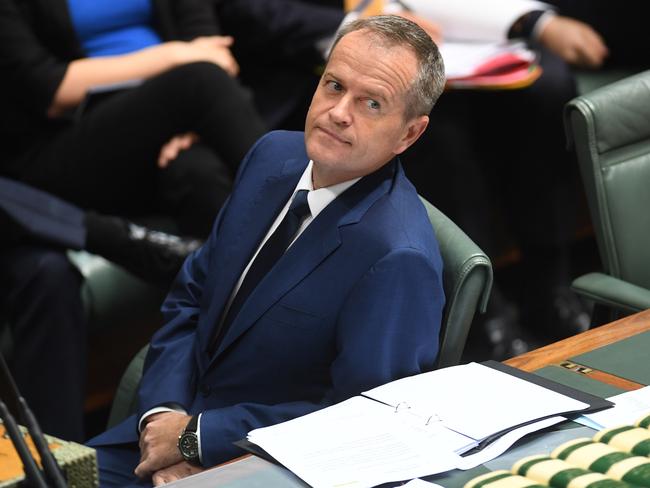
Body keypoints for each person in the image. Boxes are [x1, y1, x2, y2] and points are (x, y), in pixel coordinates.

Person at [87, 15, 446, 487]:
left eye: (371, 103)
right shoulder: (272, 156)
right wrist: (162, 415)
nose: (339, 111)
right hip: (154, 436)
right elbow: (191, 296)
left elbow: (363, 419)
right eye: (334, 85)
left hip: (264, 467)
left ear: (409, 134)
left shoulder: (397, 257)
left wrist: (197, 439)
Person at [0, 0, 266, 284]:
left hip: (177, 117)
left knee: (199, 173)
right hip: (72, 144)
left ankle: (249, 311)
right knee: (200, 80)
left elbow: (213, 50)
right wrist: (172, 56)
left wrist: (191, 127)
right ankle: (300, 217)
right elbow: (50, 88)